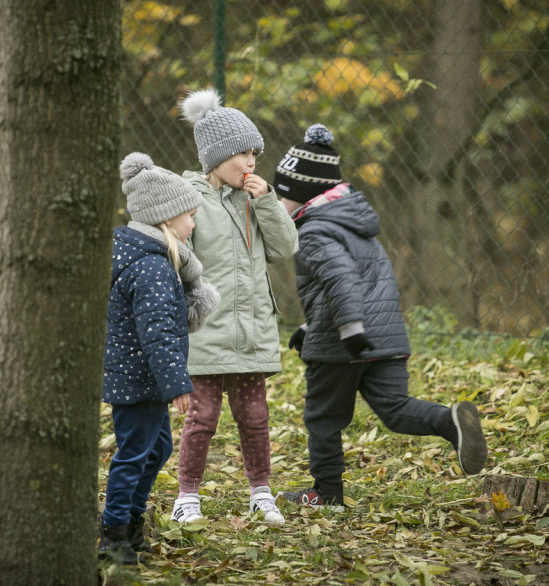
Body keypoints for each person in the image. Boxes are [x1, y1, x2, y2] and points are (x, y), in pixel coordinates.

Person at [272, 123, 488, 510]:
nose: (277, 203)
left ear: (302, 195)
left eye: (281, 194)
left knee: (323, 419)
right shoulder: (354, 225)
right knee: (395, 409)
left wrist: (349, 329)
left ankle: (327, 493)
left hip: (343, 344)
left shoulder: (313, 232)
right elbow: (359, 284)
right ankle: (447, 422)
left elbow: (341, 279)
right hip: (384, 339)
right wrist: (311, 326)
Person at [171, 87, 299, 525]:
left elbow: (285, 248)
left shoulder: (255, 199)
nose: (250, 164)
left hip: (252, 330)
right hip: (207, 332)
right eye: (242, 155)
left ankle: (261, 492)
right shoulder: (190, 199)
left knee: (255, 417)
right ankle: (187, 495)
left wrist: (267, 201)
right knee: (202, 418)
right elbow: (178, 259)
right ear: (215, 158)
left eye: (255, 156)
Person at [100, 152, 221, 564]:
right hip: (139, 379)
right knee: (135, 453)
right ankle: (114, 535)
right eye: (189, 215)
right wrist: (177, 385)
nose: (193, 223)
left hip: (138, 376)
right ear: (167, 218)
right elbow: (158, 333)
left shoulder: (146, 256)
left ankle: (132, 521)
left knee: (157, 449)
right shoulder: (150, 266)